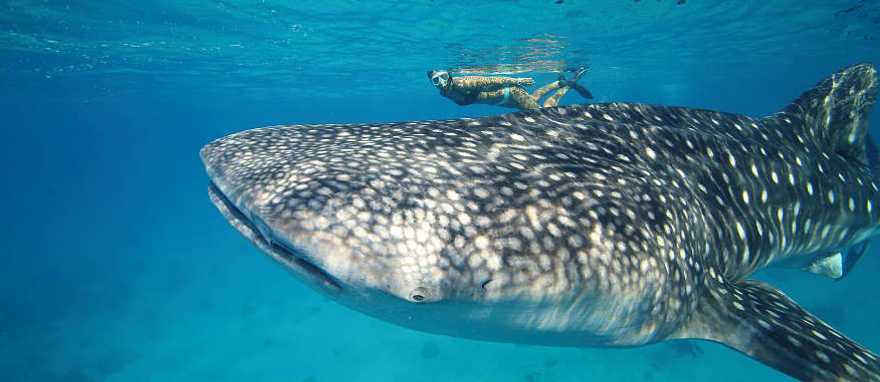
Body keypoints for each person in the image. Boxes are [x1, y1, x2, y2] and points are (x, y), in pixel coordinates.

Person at [427, 67, 592, 111]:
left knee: (542, 113)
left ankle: (570, 83)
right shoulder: (444, 93)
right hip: (503, 101)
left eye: (443, 77)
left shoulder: (463, 83)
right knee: (533, 99)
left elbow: (491, 80)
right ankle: (558, 84)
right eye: (436, 80)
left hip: (511, 94)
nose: (441, 82)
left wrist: (517, 80)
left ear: (449, 75)